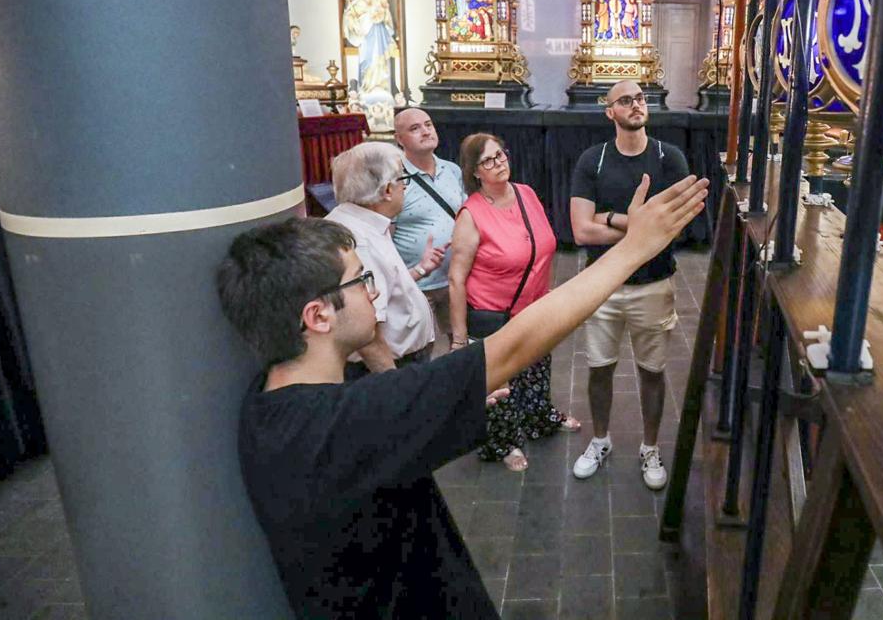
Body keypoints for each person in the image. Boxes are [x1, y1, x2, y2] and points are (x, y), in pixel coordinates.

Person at [218, 172, 709, 619]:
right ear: (318, 316)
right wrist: (633, 249)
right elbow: (512, 346)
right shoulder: (350, 421)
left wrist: (440, 402)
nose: (374, 291)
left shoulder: (268, 404)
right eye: (361, 279)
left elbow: (370, 430)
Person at [569, 80, 691, 490]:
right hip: (602, 285)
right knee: (599, 368)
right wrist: (634, 224)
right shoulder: (594, 159)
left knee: (652, 372)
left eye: (640, 98)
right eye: (625, 100)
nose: (636, 104)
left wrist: (608, 218)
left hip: (654, 284)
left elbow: (674, 229)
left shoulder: (668, 158)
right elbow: (581, 231)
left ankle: (650, 447)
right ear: (610, 112)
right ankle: (600, 440)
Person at [448, 134, 580, 472]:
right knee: (501, 383)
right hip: (494, 314)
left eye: (501, 154)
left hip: (534, 307)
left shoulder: (526, 194)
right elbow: (456, 279)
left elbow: (542, 246)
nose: (499, 163)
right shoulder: (471, 214)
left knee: (536, 370)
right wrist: (460, 339)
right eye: (488, 161)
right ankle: (504, 442)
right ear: (475, 172)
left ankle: (539, 419)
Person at [324, 142, 446, 370]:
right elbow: (368, 335)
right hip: (391, 366)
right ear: (387, 190)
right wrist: (398, 387)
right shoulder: (359, 241)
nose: (406, 188)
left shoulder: (362, 221)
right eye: (403, 179)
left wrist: (419, 270)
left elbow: (384, 285)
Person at [392, 108, 465, 351]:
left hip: (454, 281)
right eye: (415, 128)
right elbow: (385, 235)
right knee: (419, 352)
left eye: (428, 124)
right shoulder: (393, 179)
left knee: (459, 346)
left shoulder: (452, 170)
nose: (425, 131)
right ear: (399, 139)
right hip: (415, 285)